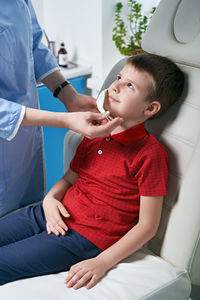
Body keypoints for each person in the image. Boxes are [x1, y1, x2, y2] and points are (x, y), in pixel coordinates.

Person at [0, 53, 185, 287]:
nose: (115, 86)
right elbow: (68, 180)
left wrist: (102, 261)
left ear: (150, 108)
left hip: (81, 238)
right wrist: (49, 199)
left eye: (129, 85)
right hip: (46, 213)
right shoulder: (95, 133)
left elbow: (147, 226)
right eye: (118, 77)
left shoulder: (150, 154)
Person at [0, 0, 121, 217]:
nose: (117, 87)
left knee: (24, 217)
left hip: (23, 151)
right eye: (121, 79)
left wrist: (68, 95)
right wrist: (64, 120)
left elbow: (33, 45)